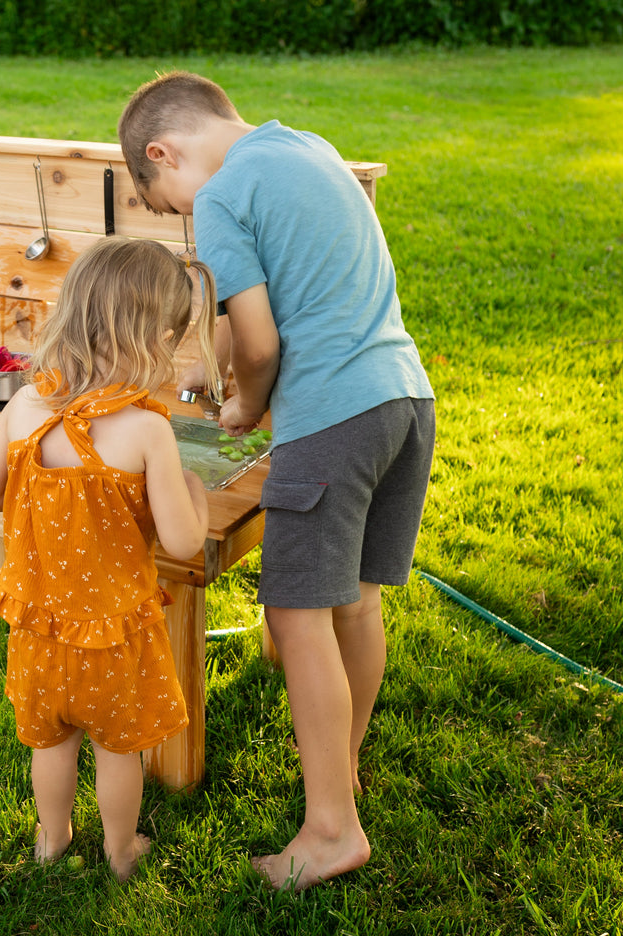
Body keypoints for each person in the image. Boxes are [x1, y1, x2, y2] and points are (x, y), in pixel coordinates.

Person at [119, 71, 436, 892]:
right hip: (402, 400)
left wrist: (244, 405)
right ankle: (344, 774)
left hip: (329, 418)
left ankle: (329, 829)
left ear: (165, 153)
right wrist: (217, 374)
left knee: (294, 616)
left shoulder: (223, 195)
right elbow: (297, 302)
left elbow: (256, 342)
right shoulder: (312, 152)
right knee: (355, 602)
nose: (188, 218)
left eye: (170, 204)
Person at [0, 236, 218, 882]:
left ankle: (51, 839)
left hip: (41, 631)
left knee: (50, 744)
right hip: (113, 638)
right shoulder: (146, 430)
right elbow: (185, 541)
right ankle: (119, 850)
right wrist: (197, 496)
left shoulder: (24, 406)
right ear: (149, 339)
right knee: (115, 751)